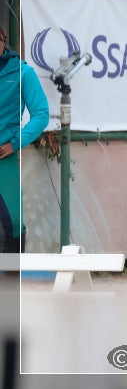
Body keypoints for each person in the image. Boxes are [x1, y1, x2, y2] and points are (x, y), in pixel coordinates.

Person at [0, 24, 49, 253]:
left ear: (3, 40)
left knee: (13, 225)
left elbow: (41, 114)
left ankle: (11, 283)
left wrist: (14, 143)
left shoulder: (23, 72)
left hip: (4, 161)